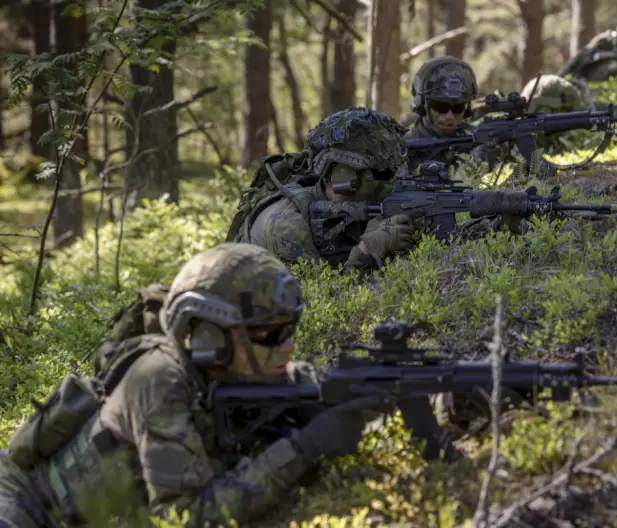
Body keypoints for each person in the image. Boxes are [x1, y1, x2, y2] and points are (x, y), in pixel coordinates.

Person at [0, 243, 386, 527]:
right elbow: (184, 516)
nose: (287, 345)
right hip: (25, 509)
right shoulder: (159, 380)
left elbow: (318, 384)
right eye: (270, 333)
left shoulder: (235, 370)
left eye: (291, 329)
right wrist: (304, 448)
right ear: (210, 337)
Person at [228, 107, 417, 274]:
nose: (393, 180)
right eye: (382, 172)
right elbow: (317, 305)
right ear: (343, 175)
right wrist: (368, 250)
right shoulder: (287, 226)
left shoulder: (361, 206)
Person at [405, 56, 506, 169]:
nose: (450, 116)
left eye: (458, 108)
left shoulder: (476, 140)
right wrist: (471, 168)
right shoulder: (402, 150)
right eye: (440, 107)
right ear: (422, 105)